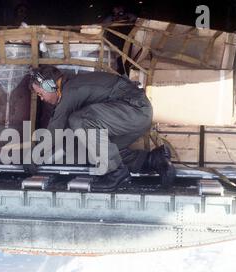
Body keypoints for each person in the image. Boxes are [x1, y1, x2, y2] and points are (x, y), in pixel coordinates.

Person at [29, 65, 176, 192]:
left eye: (41, 94)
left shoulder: (70, 91)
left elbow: (56, 128)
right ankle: (154, 160)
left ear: (50, 85)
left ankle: (116, 173)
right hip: (133, 115)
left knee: (79, 120)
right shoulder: (71, 87)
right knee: (99, 151)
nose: (42, 98)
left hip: (134, 110)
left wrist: (35, 155)